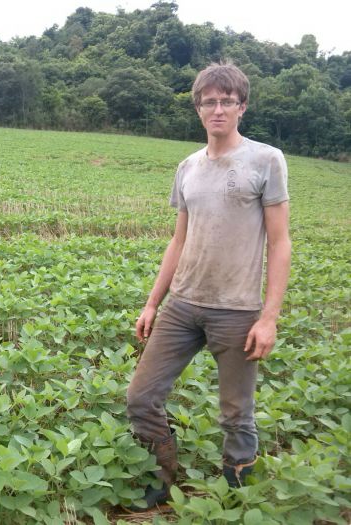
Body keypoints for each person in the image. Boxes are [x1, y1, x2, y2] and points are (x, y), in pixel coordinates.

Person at [125, 62, 291, 509]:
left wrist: (269, 317)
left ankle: (237, 490)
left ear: (242, 107)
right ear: (198, 109)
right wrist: (151, 303)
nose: (218, 109)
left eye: (227, 101)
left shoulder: (266, 160)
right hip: (183, 305)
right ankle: (161, 475)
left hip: (236, 310)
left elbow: (280, 242)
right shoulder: (187, 167)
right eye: (209, 101)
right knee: (141, 397)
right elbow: (178, 240)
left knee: (237, 413)